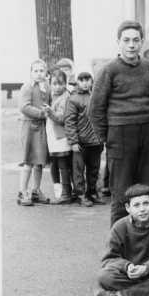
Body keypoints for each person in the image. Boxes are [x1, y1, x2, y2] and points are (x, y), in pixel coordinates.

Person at [89, 21, 149, 227]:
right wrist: (107, 138)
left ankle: (143, 243)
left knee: (144, 192)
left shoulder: (148, 67)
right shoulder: (108, 70)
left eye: (136, 40)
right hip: (119, 135)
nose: (131, 45)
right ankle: (117, 249)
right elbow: (95, 110)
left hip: (145, 131)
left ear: (142, 42)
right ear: (118, 42)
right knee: (121, 195)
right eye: (126, 40)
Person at [66, 71, 105, 207]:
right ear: (77, 81)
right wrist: (74, 141)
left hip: (96, 141)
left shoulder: (97, 96)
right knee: (78, 170)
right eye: (81, 80)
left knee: (94, 169)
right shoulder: (73, 98)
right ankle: (80, 195)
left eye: (87, 79)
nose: (84, 82)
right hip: (81, 143)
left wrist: (102, 137)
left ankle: (92, 193)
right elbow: (69, 121)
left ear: (91, 80)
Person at [17, 59, 52, 206]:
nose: (38, 73)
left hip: (42, 127)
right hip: (30, 126)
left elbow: (50, 102)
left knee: (39, 160)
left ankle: (36, 190)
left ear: (45, 72)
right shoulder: (27, 87)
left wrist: (49, 110)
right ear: (31, 73)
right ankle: (22, 192)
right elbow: (24, 107)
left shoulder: (47, 86)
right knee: (29, 160)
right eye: (35, 71)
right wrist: (41, 113)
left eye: (41, 70)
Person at [47, 69, 73, 205]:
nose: (57, 87)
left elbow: (62, 118)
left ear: (65, 83)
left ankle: (66, 193)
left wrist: (50, 112)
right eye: (54, 84)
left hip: (61, 138)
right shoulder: (57, 95)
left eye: (60, 84)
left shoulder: (64, 97)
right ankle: (64, 192)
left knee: (63, 165)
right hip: (56, 137)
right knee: (58, 163)